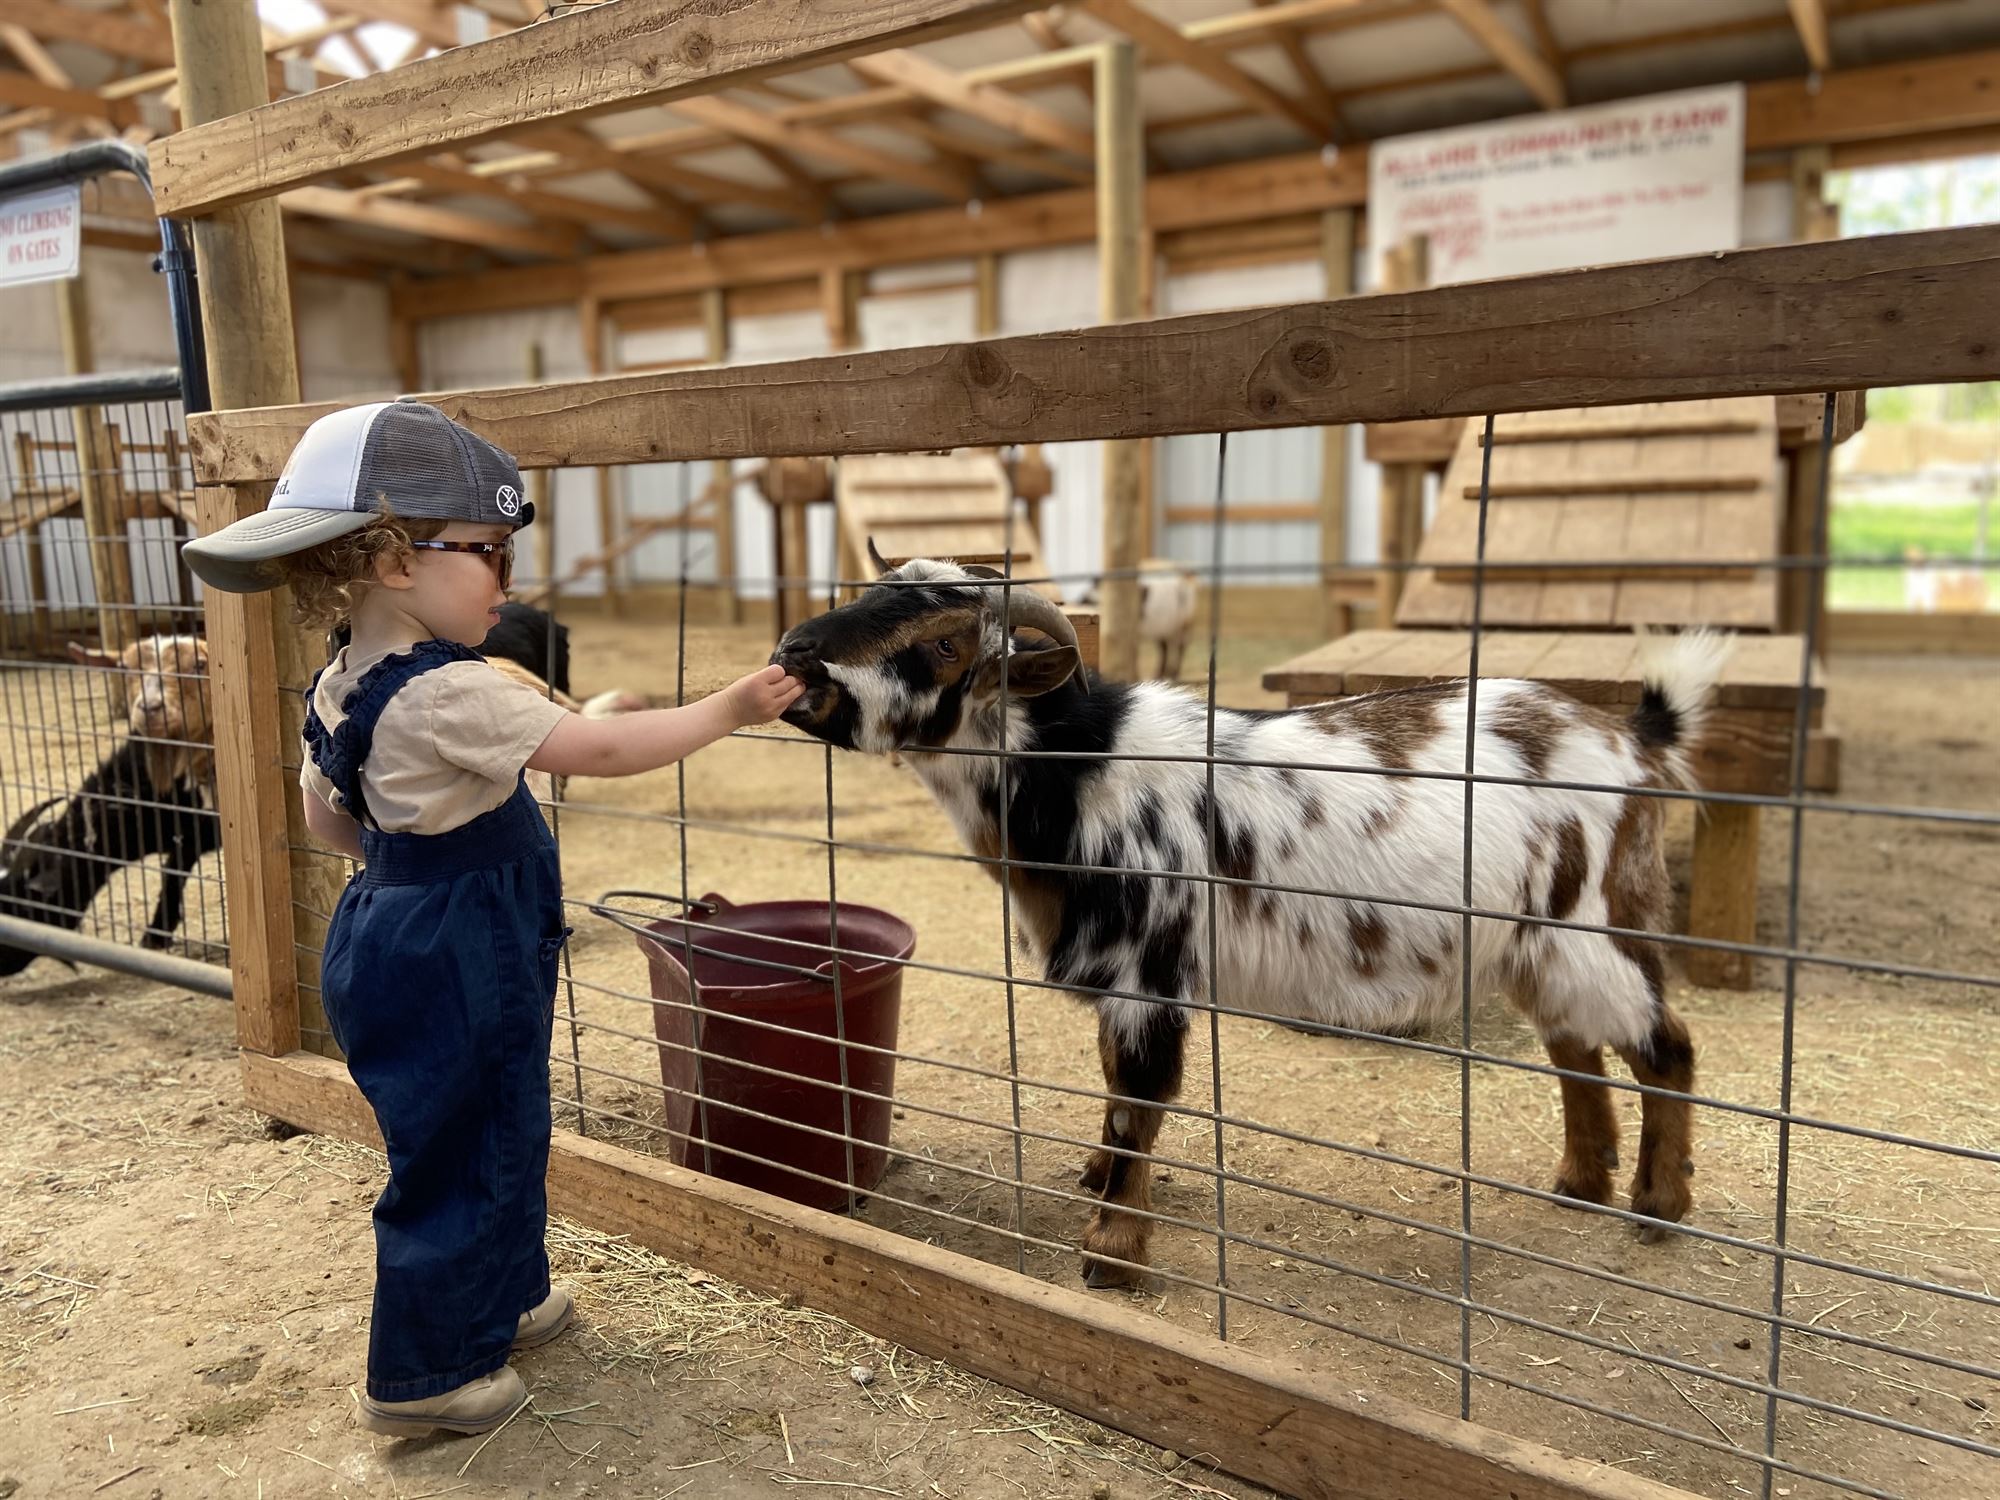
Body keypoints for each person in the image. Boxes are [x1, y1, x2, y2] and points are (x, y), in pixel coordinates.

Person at [183, 400, 802, 1437]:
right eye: (489, 554)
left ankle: (500, 1299)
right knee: (462, 1146)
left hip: (387, 924)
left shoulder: (342, 682)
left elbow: (323, 818)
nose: (507, 585)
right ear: (390, 557)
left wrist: (411, 868)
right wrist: (727, 710)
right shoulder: (454, 691)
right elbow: (595, 751)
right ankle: (422, 1377)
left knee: (490, 1121)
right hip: (458, 947)